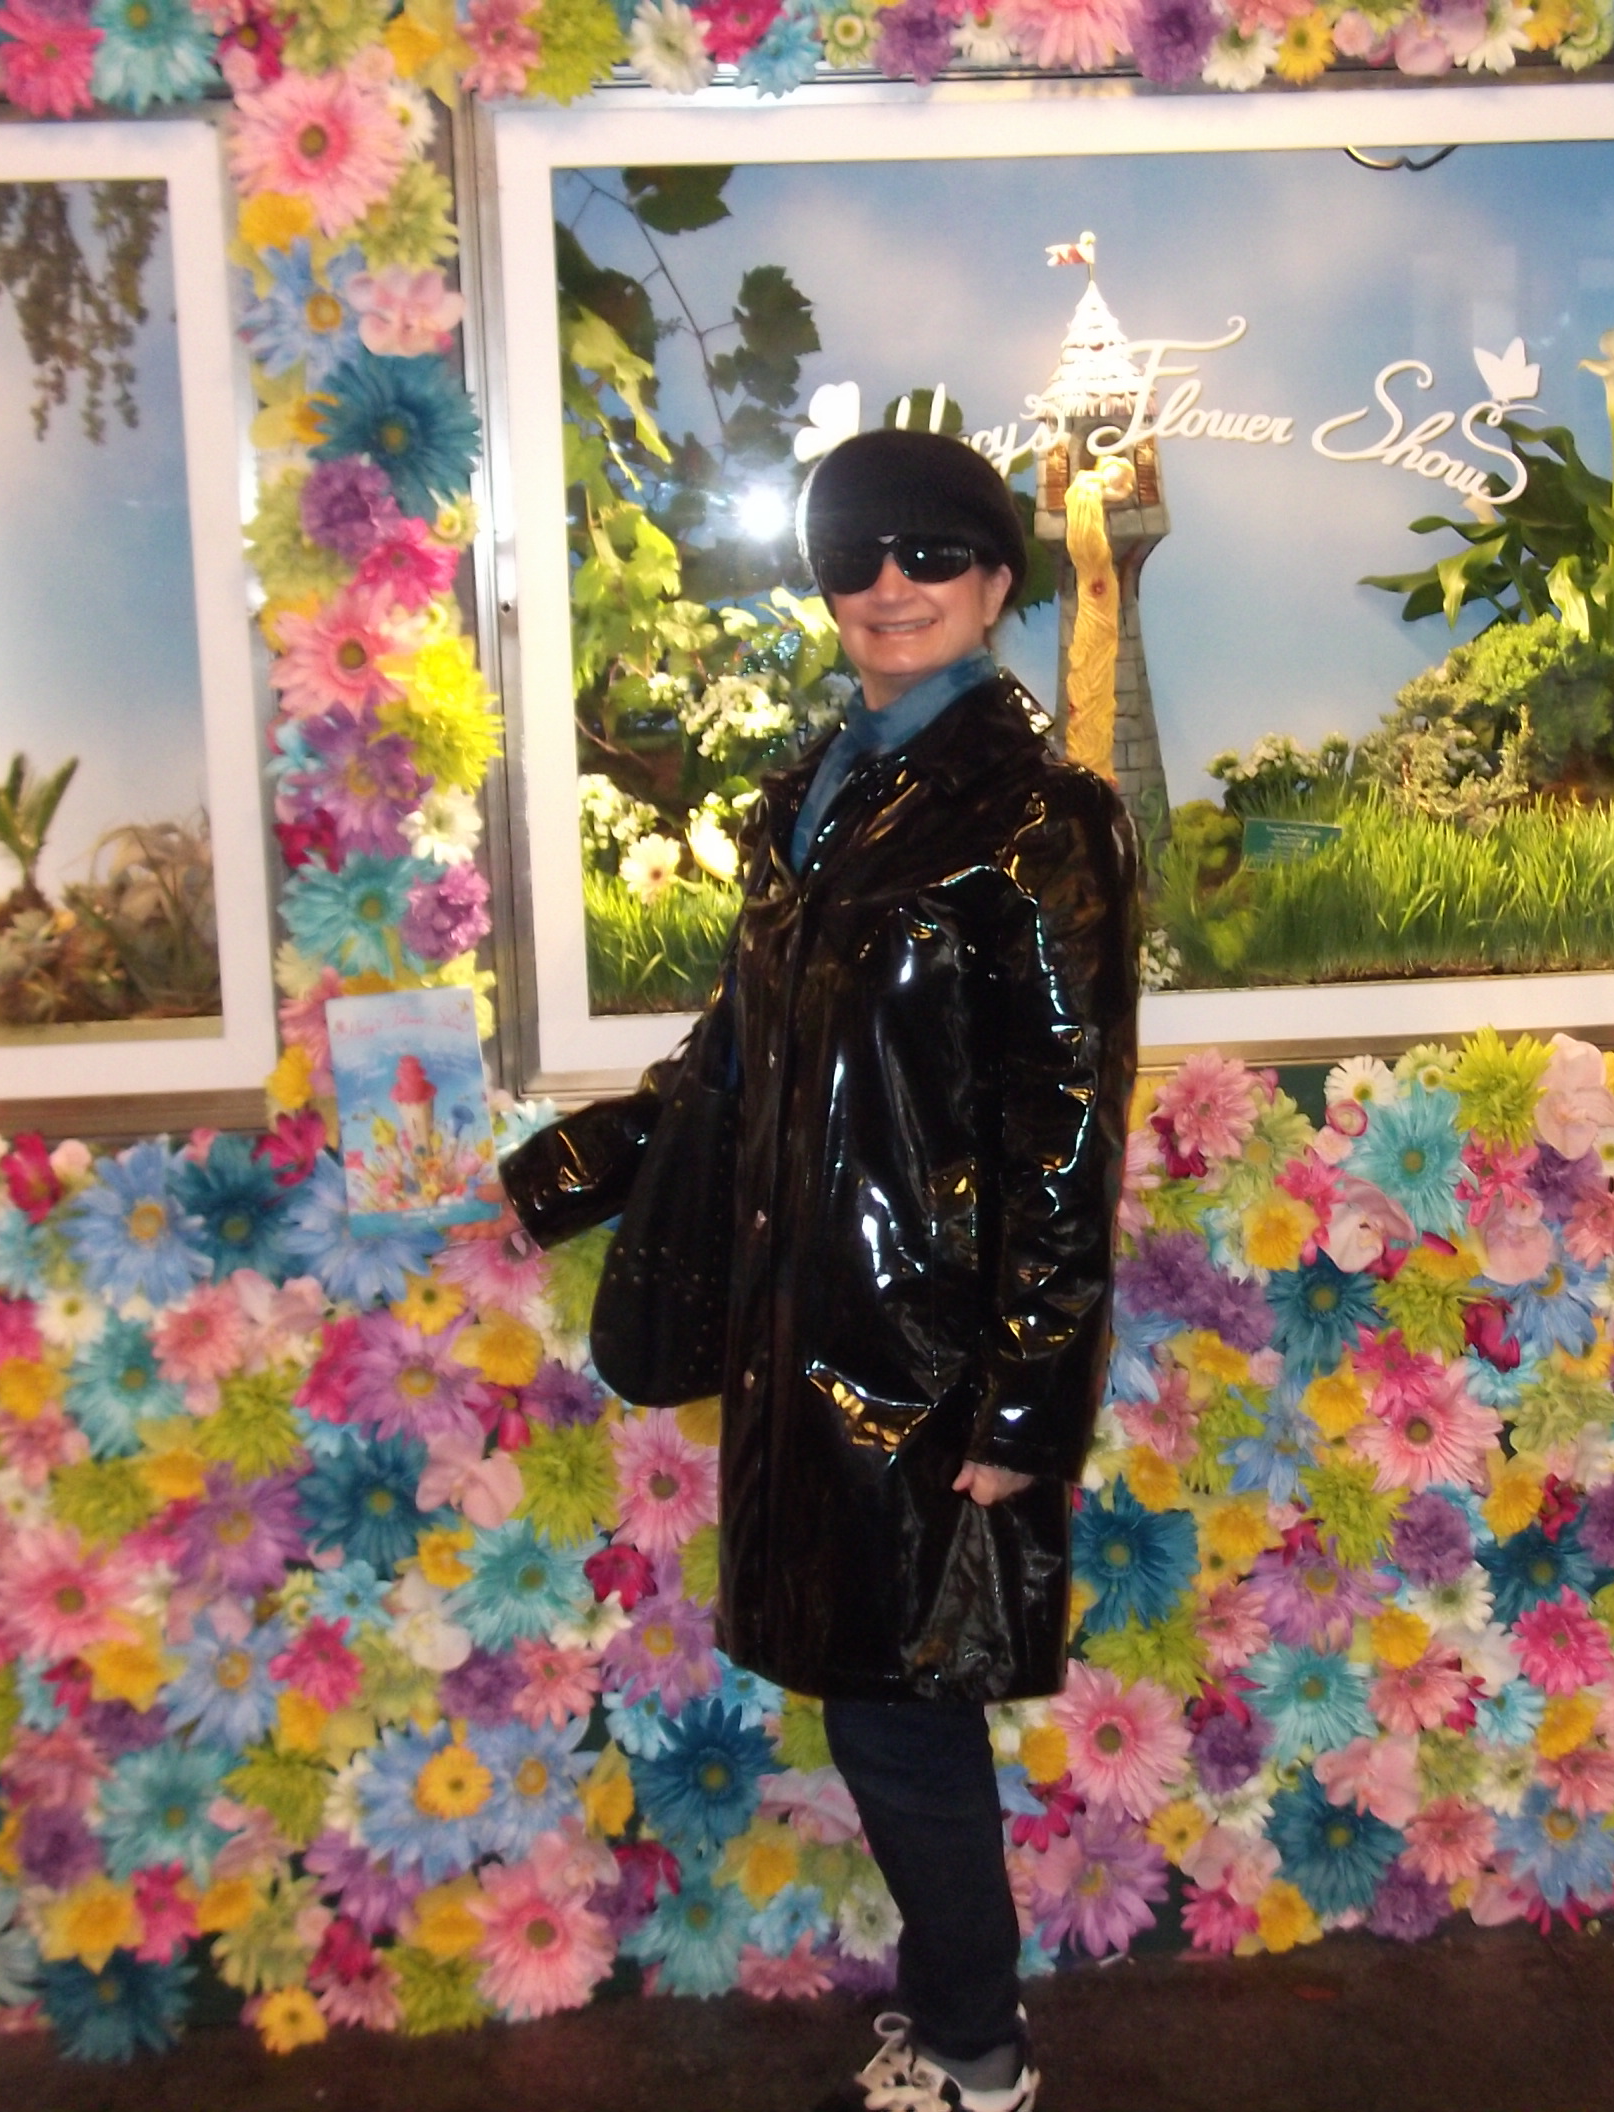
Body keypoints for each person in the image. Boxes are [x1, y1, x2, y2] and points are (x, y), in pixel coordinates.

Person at [503, 426, 1142, 2112]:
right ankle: (965, 2035)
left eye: (929, 555)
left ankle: (977, 2055)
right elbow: (738, 1059)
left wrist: (1025, 1402)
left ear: (996, 582)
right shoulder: (820, 798)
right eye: (854, 557)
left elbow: (1067, 1130)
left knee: (902, 1713)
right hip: (809, 1334)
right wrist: (567, 1170)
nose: (887, 587)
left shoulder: (1042, 819)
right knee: (879, 1704)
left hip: (929, 1357)